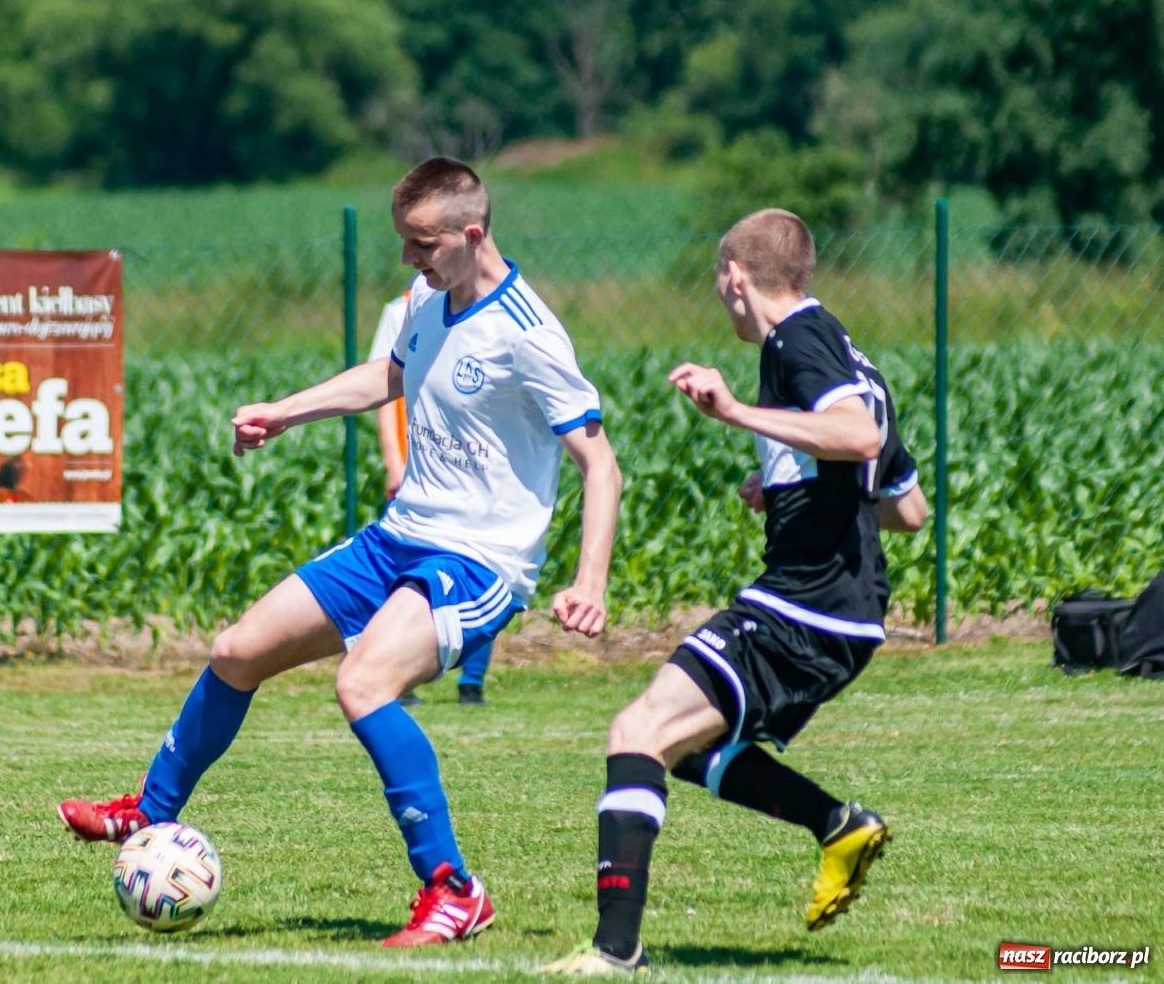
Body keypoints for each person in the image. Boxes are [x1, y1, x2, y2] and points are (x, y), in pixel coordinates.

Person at [59, 157, 623, 947]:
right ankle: (149, 813)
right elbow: (388, 376)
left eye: (421, 243)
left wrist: (588, 580)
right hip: (399, 537)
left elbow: (601, 463)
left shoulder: (528, 333)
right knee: (236, 651)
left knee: (363, 684)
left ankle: (453, 890)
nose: (408, 260)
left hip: (478, 561)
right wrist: (287, 413)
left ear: (472, 233)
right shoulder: (431, 300)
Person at [542, 208, 928, 976]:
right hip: (846, 613)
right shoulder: (854, 353)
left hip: (804, 605)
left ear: (735, 277)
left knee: (637, 732)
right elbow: (906, 509)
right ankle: (837, 826)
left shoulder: (794, 342)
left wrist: (737, 414)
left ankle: (615, 952)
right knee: (687, 749)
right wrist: (786, 481)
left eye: (720, 283)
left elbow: (858, 439)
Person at [370, 283, 498, 707]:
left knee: (484, 565)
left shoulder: (497, 313)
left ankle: (472, 681)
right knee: (405, 574)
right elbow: (384, 393)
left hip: (474, 476)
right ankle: (401, 680)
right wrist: (394, 461)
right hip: (417, 472)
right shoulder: (403, 309)